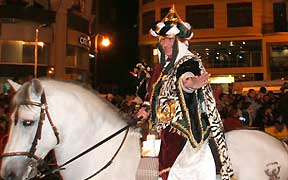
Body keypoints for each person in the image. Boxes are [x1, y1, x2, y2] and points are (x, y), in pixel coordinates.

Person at [136, 5, 235, 180]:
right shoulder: (160, 68)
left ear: (180, 42)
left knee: (173, 161)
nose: (165, 44)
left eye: (169, 40)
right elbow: (152, 94)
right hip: (157, 126)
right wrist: (145, 108)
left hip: (182, 125)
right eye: (163, 40)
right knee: (146, 166)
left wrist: (192, 83)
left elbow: (186, 78)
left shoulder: (189, 61)